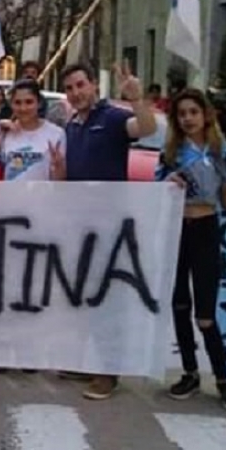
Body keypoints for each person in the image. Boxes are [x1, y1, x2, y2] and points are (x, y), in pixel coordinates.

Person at [157, 88, 226, 413]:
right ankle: (189, 373)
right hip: (177, 233)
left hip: (206, 231)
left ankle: (223, 380)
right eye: (182, 114)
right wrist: (167, 182)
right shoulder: (171, 151)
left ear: (205, 115)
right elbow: (156, 191)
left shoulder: (220, 150)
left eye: (193, 112)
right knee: (178, 305)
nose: (188, 118)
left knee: (205, 314)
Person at [60, 60, 158, 401]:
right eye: (70, 88)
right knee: (84, 295)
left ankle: (107, 372)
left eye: (80, 85)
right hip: (79, 224)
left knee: (107, 297)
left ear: (93, 87)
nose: (76, 92)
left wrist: (136, 99)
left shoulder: (113, 117)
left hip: (108, 224)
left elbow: (145, 129)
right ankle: (89, 362)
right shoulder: (72, 125)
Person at [0, 80, 67, 182]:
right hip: (9, 197)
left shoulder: (56, 134)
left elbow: (60, 182)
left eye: (29, 102)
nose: (23, 108)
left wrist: (58, 168)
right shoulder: (5, 132)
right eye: (17, 103)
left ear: (39, 103)